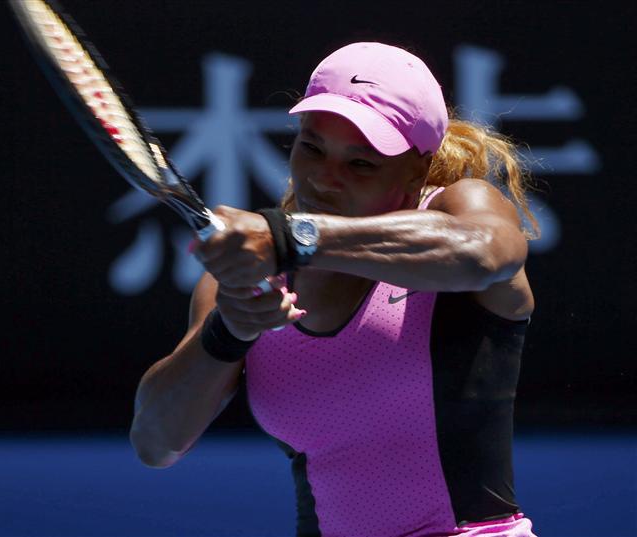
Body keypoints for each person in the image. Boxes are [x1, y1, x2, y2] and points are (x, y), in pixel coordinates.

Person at [129, 41, 539, 537]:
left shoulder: (460, 207)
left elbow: (485, 253)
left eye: (360, 163)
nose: (324, 179)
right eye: (311, 147)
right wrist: (228, 332)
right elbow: (155, 443)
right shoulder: (242, 275)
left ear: (417, 169)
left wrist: (292, 237)